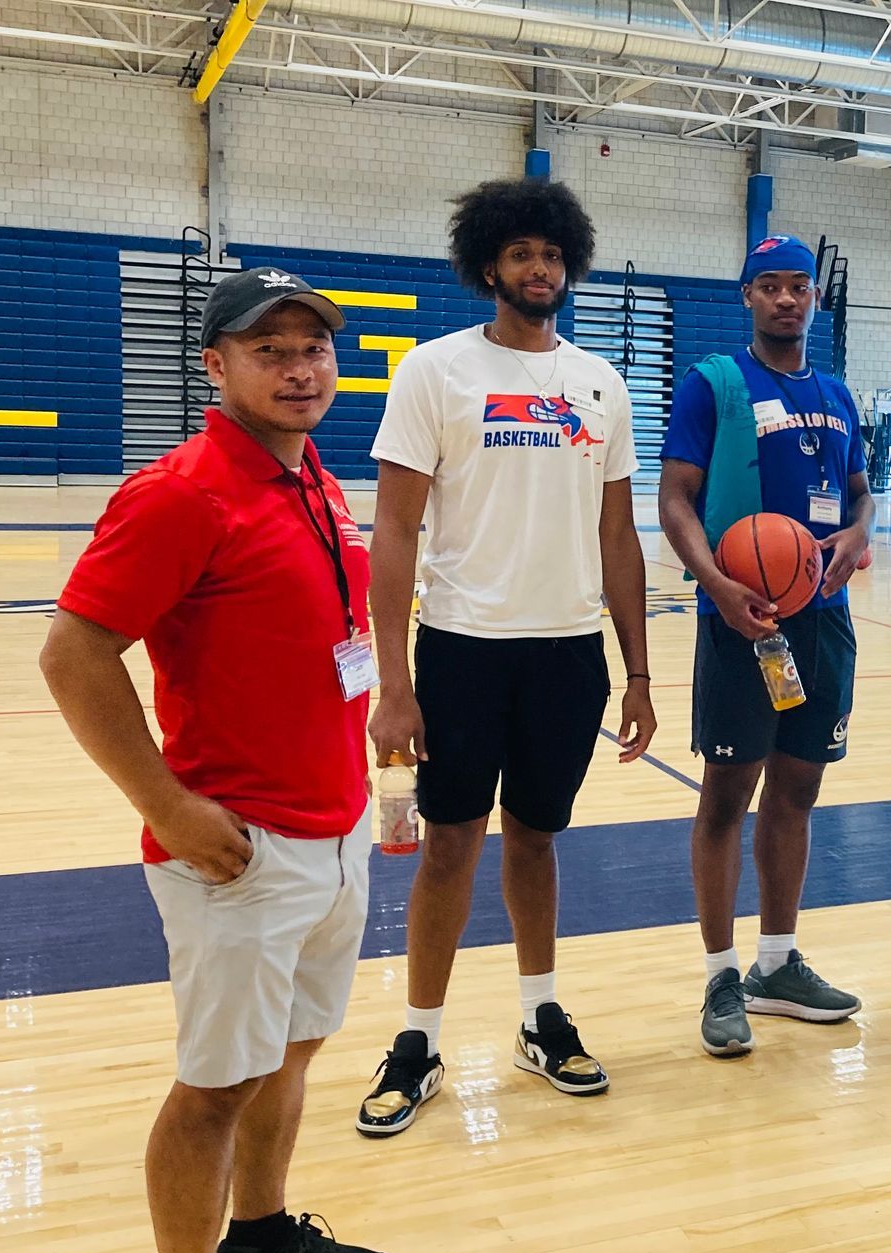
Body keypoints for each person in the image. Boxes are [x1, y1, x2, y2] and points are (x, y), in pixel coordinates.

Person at [41, 268, 389, 1253]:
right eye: (271, 349)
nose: (301, 368)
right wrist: (167, 805)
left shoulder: (311, 478)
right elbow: (73, 652)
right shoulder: (182, 491)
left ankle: (259, 1237)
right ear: (216, 366)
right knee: (215, 1085)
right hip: (237, 849)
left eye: (315, 349)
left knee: (291, 1049)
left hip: (332, 832)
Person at [357, 177, 654, 1136]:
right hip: (461, 650)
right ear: (489, 265)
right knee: (450, 844)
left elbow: (620, 538)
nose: (541, 270)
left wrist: (640, 672)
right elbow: (394, 530)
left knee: (536, 836)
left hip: (568, 655)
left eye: (555, 255)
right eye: (523, 254)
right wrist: (393, 681)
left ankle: (539, 1014)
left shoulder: (601, 384)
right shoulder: (434, 372)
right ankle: (418, 1037)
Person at [657, 234, 875, 1057]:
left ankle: (777, 963)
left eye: (799, 287)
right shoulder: (714, 384)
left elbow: (860, 496)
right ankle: (720, 975)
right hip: (741, 618)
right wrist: (715, 584)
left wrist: (858, 535)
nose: (787, 299)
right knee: (725, 798)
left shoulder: (837, 392)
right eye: (771, 286)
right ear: (747, 295)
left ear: (815, 298)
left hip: (823, 619)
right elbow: (676, 498)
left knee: (798, 792)